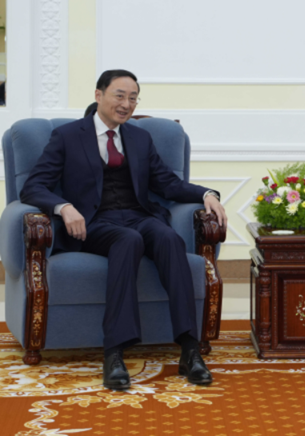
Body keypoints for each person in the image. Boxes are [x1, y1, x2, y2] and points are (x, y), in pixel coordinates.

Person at [20, 69, 228, 390]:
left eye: (133, 98)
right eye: (120, 95)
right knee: (128, 240)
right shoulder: (67, 136)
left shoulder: (139, 138)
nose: (126, 104)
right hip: (93, 222)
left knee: (169, 238)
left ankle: (190, 349)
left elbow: (167, 183)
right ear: (98, 95)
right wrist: (64, 207)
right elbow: (33, 186)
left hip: (137, 215)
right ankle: (114, 353)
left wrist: (206, 194)